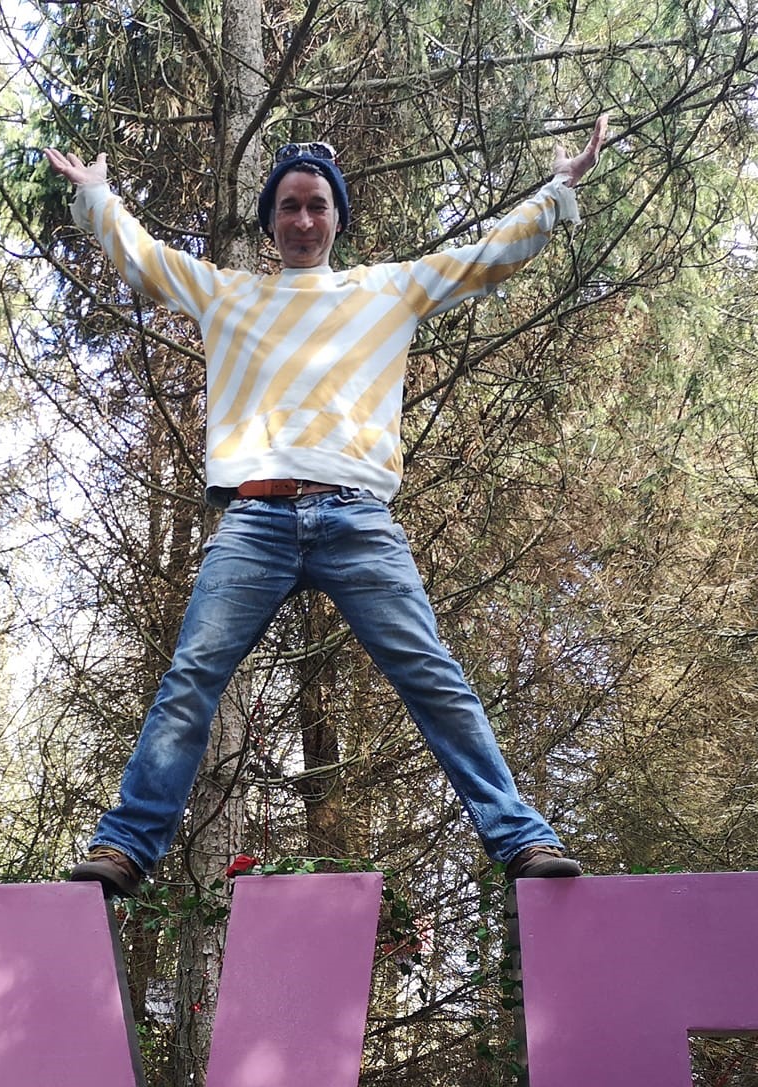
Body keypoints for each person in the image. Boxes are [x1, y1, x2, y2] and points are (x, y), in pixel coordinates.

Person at [46, 118, 608, 898]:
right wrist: (98, 195)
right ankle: (125, 846)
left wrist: (558, 190)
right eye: (288, 207)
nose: (303, 221)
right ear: (270, 221)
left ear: (336, 217)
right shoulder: (229, 295)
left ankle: (519, 838)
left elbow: (485, 259)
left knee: (432, 676)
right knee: (191, 677)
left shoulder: (386, 289)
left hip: (356, 520)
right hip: (255, 519)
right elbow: (143, 258)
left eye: (316, 206)